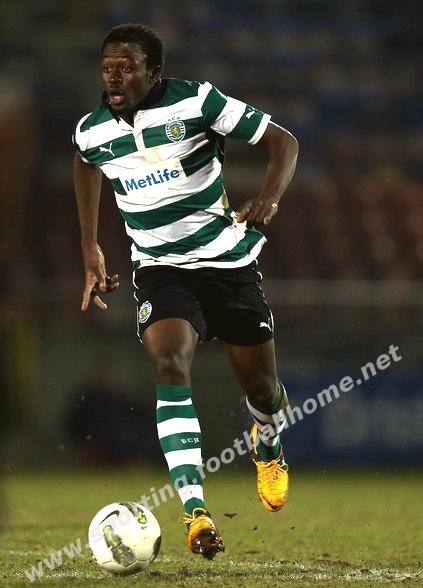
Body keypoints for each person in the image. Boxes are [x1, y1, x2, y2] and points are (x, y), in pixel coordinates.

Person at [73, 23, 298, 560]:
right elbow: (85, 163)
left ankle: (267, 442)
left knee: (263, 388)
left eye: (126, 67)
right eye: (107, 68)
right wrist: (90, 245)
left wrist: (269, 198)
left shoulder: (197, 100)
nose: (114, 77)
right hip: (159, 269)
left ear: (153, 72)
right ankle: (196, 512)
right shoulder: (91, 130)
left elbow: (283, 141)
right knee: (169, 362)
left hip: (227, 262)